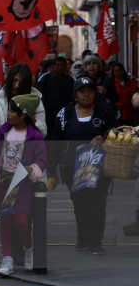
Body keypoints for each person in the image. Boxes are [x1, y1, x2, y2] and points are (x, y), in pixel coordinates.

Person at [0, 94, 47, 276]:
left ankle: (29, 250)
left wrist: (34, 169)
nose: (7, 114)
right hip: (3, 182)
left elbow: (41, 159)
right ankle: (7, 258)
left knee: (22, 221)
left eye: (11, 111)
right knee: (6, 221)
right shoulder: (3, 131)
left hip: (22, 184)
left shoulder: (35, 135)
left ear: (23, 115)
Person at [47, 77, 116, 255]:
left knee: (97, 203)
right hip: (72, 167)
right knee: (80, 203)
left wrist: (104, 136)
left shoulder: (105, 113)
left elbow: (117, 134)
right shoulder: (65, 114)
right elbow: (55, 141)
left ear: (95, 93)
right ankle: (83, 237)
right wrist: (51, 169)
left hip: (98, 167)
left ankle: (96, 241)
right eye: (81, 91)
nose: (86, 94)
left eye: (89, 91)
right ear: (75, 94)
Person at [0, 63, 47, 139]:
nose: (17, 85)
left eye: (21, 82)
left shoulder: (35, 101)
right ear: (9, 79)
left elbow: (43, 133)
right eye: (15, 80)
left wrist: (33, 122)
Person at [39, 56, 74, 139]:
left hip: (64, 115)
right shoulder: (46, 78)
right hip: (48, 115)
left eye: (62, 65)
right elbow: (37, 90)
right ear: (54, 66)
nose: (60, 67)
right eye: (58, 65)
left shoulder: (69, 80)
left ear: (65, 67)